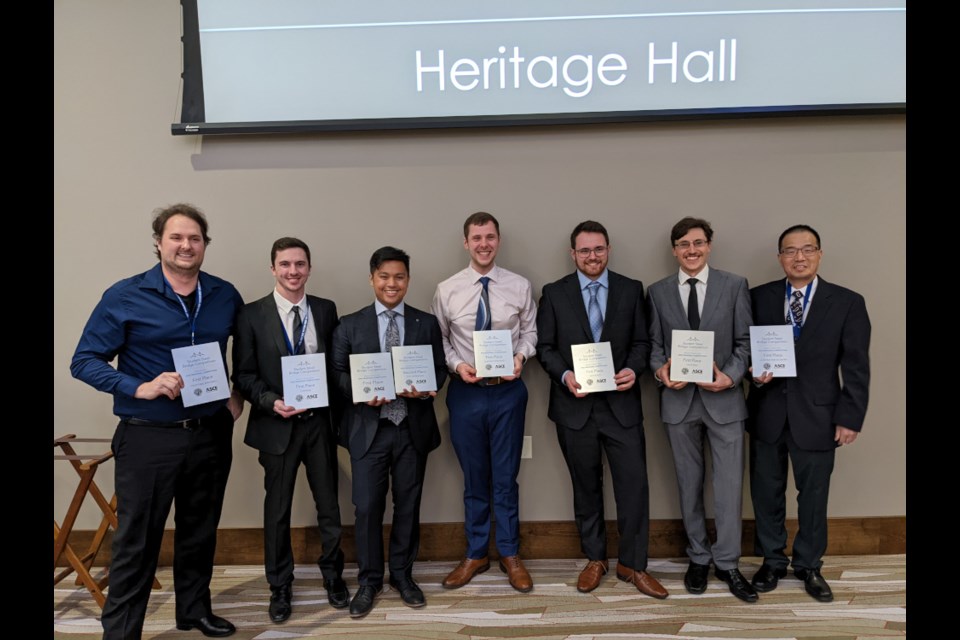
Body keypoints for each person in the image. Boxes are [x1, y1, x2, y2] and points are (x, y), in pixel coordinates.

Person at [70, 204, 244, 639]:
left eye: (195, 239)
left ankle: (193, 611)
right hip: (148, 435)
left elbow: (248, 350)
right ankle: (123, 631)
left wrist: (238, 392)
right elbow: (84, 360)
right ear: (158, 243)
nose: (186, 246)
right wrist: (137, 386)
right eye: (177, 238)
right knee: (137, 540)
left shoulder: (224, 294)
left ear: (205, 245)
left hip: (209, 432)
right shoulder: (125, 295)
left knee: (200, 530)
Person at [536, 221, 668, 599]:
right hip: (574, 407)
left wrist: (633, 369)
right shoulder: (554, 293)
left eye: (598, 249)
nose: (591, 256)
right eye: (584, 250)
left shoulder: (630, 289)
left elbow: (643, 342)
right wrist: (564, 376)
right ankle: (595, 558)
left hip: (621, 406)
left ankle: (634, 564)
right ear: (572, 253)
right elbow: (545, 347)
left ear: (608, 249)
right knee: (585, 488)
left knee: (634, 488)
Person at [747, 224, 870, 603]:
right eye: (790, 251)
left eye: (807, 249)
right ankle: (772, 560)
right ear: (780, 257)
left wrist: (850, 416)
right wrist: (752, 370)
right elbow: (742, 347)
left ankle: (809, 565)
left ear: (819, 254)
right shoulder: (757, 298)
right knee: (766, 493)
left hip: (819, 415)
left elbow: (856, 365)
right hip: (767, 411)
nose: (798, 257)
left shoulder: (847, 302)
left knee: (813, 496)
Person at [231, 237, 348, 623]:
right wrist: (270, 401)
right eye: (285, 265)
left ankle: (334, 576)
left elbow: (336, 368)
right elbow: (244, 375)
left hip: (318, 426)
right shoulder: (250, 315)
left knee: (329, 508)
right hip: (276, 426)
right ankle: (280, 585)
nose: (293, 272)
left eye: (300, 264)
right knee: (277, 511)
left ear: (309, 268)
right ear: (273, 269)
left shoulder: (327, 310)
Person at [331, 246, 447, 617]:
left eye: (399, 277)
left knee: (408, 505)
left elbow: (440, 369)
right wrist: (362, 393)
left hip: (411, 428)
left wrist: (430, 387)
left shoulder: (425, 322)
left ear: (408, 280)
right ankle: (369, 581)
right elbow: (337, 374)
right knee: (366, 508)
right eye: (384, 276)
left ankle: (402, 575)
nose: (391, 283)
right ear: (372, 279)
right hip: (369, 430)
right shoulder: (350, 324)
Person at [646, 216, 758, 603]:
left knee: (728, 487)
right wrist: (661, 371)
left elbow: (746, 342)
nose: (691, 251)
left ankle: (727, 563)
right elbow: (655, 344)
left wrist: (729, 376)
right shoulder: (657, 292)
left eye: (697, 243)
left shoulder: (734, 285)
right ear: (674, 250)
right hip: (678, 403)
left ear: (709, 245)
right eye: (682, 244)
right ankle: (698, 556)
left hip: (724, 401)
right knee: (687, 484)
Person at [430, 211, 538, 593]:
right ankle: (476, 553)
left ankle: (510, 553)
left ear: (499, 240)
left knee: (506, 477)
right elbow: (440, 339)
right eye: (476, 238)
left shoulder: (520, 286)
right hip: (467, 394)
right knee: (475, 478)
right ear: (466, 243)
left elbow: (530, 332)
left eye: (490, 237)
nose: (484, 244)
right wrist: (457, 365)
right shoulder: (447, 289)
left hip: (509, 392)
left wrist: (520, 358)